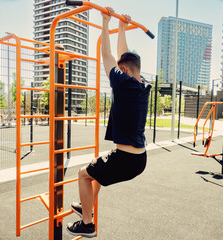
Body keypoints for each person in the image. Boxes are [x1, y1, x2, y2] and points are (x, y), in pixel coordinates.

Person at [67, 7, 151, 238]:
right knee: (98, 175)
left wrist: (105, 22)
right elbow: (123, 58)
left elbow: (107, 57)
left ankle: (87, 224)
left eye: (120, 69)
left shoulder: (123, 84)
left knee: (83, 174)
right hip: (138, 158)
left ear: (123, 70)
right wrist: (122, 28)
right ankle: (87, 208)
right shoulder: (142, 85)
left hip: (125, 159)